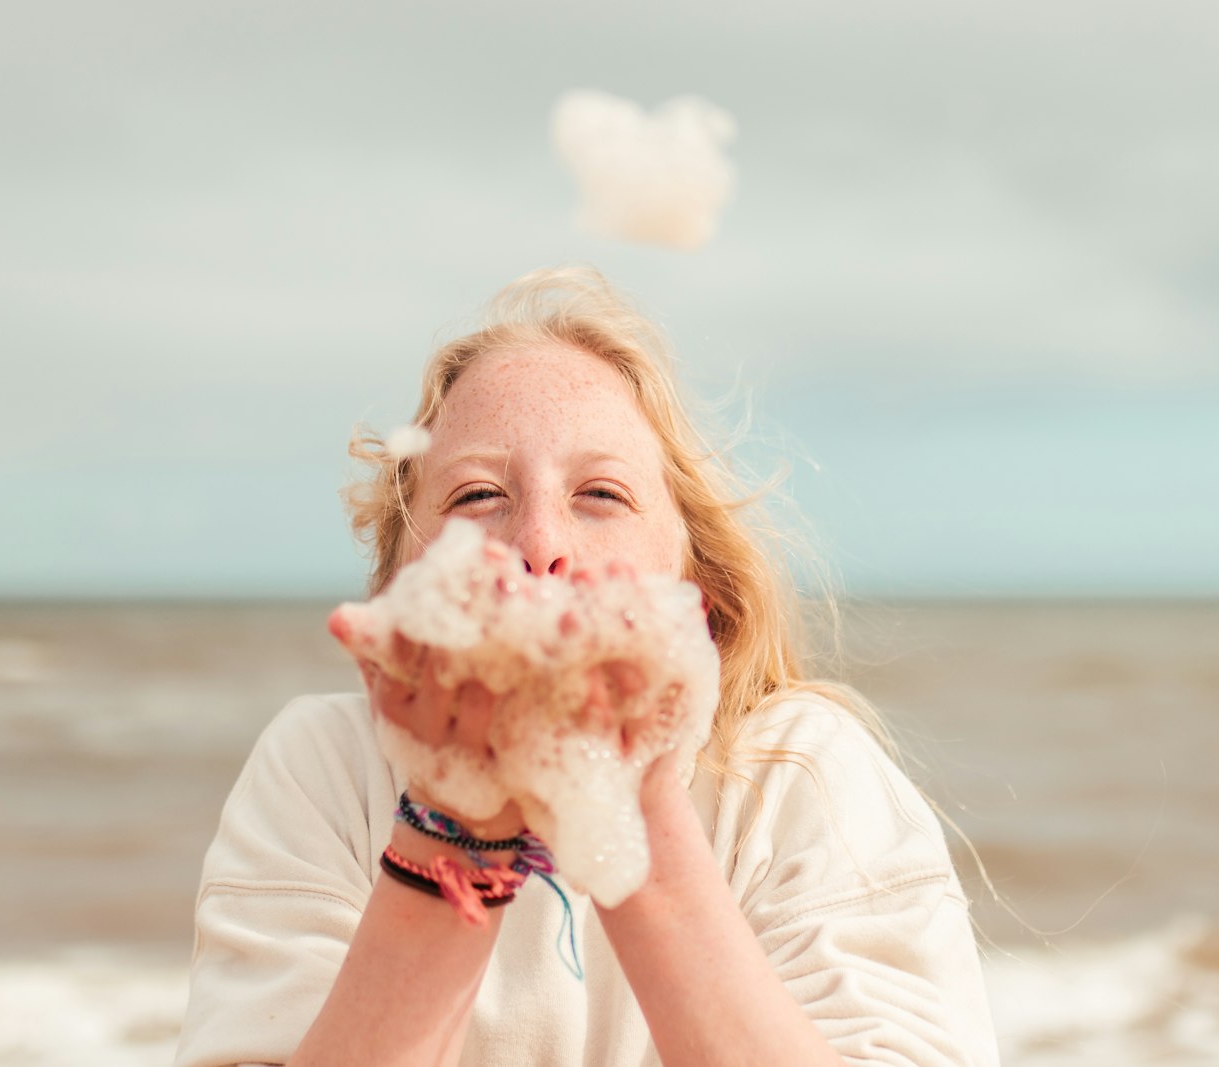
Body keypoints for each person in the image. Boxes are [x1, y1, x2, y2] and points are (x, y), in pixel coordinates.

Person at [174, 267, 999, 1067]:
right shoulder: (321, 766)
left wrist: (628, 807)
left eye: (600, 495)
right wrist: (454, 827)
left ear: (695, 586)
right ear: (399, 587)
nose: (540, 546)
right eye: (475, 497)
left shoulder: (800, 773)